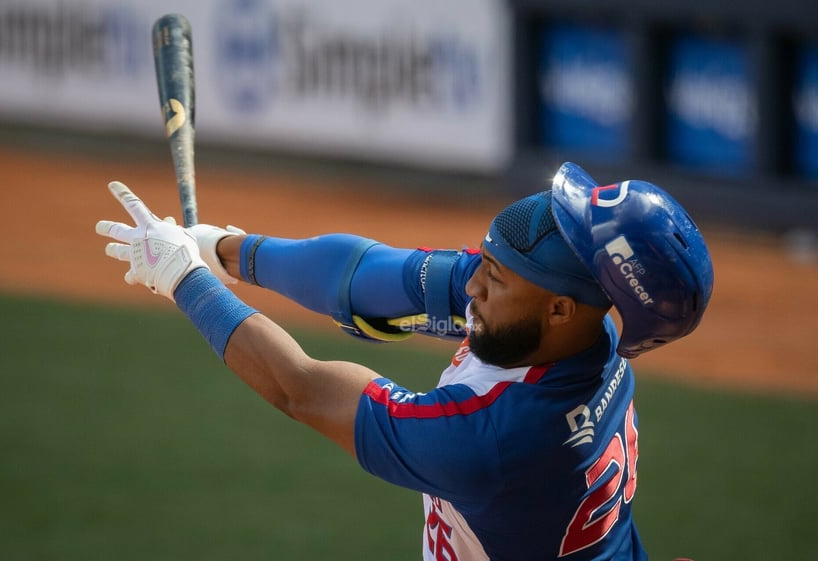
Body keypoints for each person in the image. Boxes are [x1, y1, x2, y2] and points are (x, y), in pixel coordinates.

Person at [95, 161, 713, 561]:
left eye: (493, 279)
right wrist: (226, 250)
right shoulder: (578, 329)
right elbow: (364, 278)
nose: (473, 284)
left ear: (559, 309)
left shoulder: (497, 439)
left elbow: (300, 388)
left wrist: (186, 280)